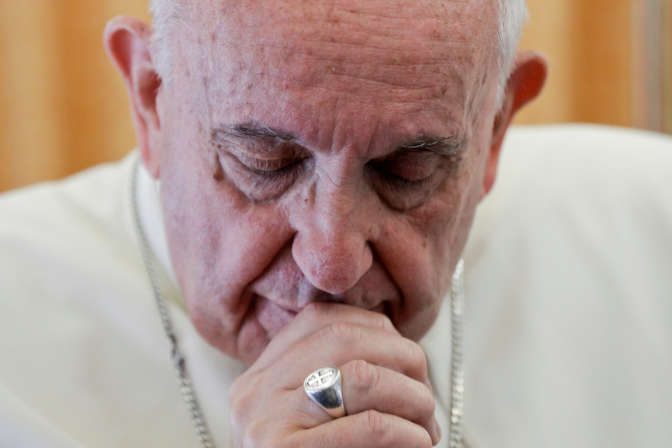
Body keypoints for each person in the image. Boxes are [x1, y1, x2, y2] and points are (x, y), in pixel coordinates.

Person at [1, 0, 671, 447]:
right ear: (151, 101)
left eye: (406, 170)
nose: (331, 261)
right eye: (266, 162)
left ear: (494, 128)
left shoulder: (652, 233)